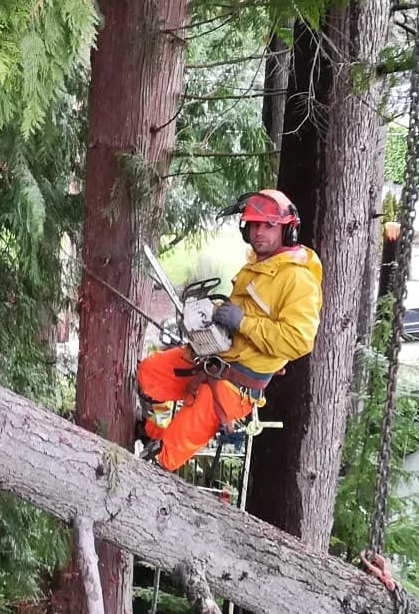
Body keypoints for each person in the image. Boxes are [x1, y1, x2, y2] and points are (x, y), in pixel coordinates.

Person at [136, 190, 323, 472]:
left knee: (166, 456)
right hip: (211, 358)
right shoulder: (259, 264)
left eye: (268, 225)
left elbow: (299, 340)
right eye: (254, 225)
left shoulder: (297, 278)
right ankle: (150, 432)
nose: (259, 232)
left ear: (287, 230)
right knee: (148, 374)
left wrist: (243, 322)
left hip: (233, 385)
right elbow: (244, 311)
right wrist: (214, 315)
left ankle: (155, 456)